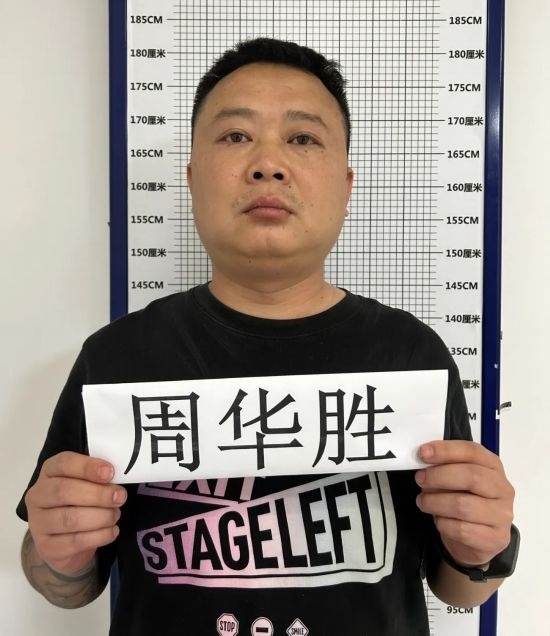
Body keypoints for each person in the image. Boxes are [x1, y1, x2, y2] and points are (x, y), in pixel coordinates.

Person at [17, 38, 517, 635]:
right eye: (235, 136)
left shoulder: (411, 357)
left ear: (346, 186)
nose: (268, 164)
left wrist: (483, 544)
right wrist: (59, 554)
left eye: (303, 138)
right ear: (192, 179)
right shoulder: (117, 357)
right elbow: (66, 587)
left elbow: (457, 586)